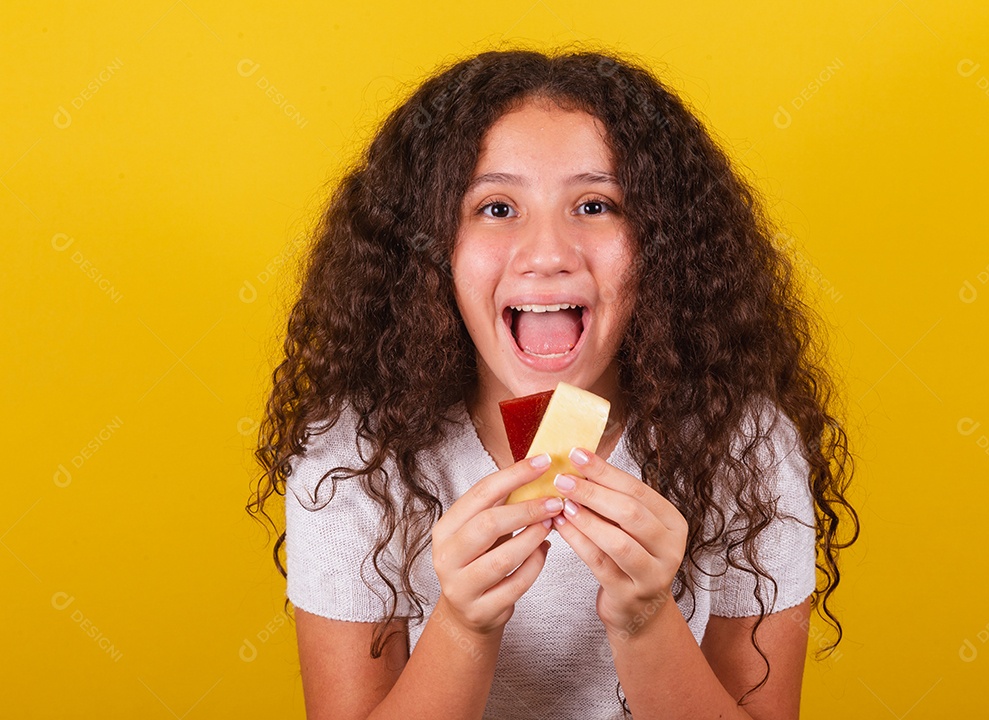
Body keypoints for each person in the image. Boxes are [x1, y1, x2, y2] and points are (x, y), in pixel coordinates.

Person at [248, 46, 858, 720]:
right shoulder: (356, 455)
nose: (547, 254)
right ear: (429, 247)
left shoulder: (746, 445)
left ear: (663, 243)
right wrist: (463, 626)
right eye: (496, 208)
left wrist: (646, 622)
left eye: (596, 205)